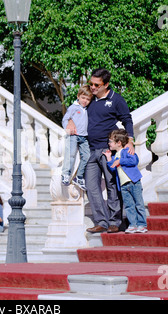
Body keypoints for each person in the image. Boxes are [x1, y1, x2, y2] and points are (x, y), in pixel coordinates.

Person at [68, 68, 135, 233]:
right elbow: (76, 109)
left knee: (112, 186)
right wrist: (70, 120)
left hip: (108, 150)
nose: (92, 87)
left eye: (96, 85)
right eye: (91, 83)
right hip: (90, 151)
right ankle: (101, 222)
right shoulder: (89, 99)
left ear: (106, 84)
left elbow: (127, 119)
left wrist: (130, 141)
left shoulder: (116, 100)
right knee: (91, 187)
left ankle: (115, 222)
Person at [103, 129, 148, 233]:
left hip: (134, 182)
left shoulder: (127, 151)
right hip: (123, 185)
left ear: (118, 143)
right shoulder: (115, 156)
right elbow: (113, 168)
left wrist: (120, 161)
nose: (109, 143)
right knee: (128, 206)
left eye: (110, 141)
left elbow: (134, 160)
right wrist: (109, 158)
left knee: (138, 204)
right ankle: (133, 225)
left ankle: (142, 224)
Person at [61, 85, 92, 191]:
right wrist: (67, 128)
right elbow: (65, 119)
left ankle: (79, 177)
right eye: (83, 98)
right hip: (73, 135)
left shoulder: (87, 109)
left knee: (87, 156)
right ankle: (65, 174)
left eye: (88, 99)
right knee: (71, 154)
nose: (85, 101)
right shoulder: (73, 107)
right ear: (78, 96)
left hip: (84, 137)